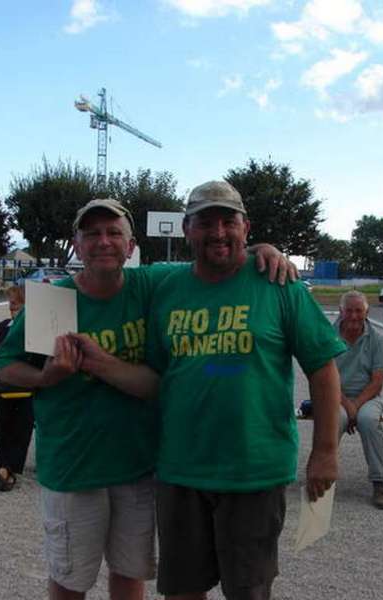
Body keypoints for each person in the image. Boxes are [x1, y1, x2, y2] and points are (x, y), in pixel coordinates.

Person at [0, 197, 295, 600]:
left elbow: (213, 256)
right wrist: (47, 377)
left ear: (131, 245)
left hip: (136, 463)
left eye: (113, 233)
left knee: (129, 573)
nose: (103, 242)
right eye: (92, 234)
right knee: (70, 581)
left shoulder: (150, 285)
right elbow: (6, 366)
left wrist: (263, 249)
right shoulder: (55, 300)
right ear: (76, 245)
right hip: (73, 465)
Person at [142, 181, 343, 600]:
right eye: (205, 222)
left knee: (248, 591)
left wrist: (325, 451)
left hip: (254, 471)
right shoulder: (166, 288)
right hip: (181, 468)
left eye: (228, 221)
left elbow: (322, 369)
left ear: (245, 227)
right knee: (181, 590)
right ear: (186, 229)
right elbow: (159, 372)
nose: (218, 232)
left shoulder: (280, 285)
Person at [335, 290, 383, 509]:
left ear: (367, 312)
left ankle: (379, 482)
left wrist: (354, 406)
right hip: (334, 395)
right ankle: (323, 478)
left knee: (368, 420)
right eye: (349, 310)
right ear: (341, 311)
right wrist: (346, 405)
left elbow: (377, 381)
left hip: (368, 397)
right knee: (335, 420)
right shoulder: (326, 335)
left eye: (359, 311)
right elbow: (322, 377)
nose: (354, 316)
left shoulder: (377, 339)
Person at [0, 284, 34, 492]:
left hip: (30, 384)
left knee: (25, 406)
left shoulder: (37, 329)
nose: (13, 307)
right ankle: (7, 466)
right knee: (5, 406)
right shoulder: (3, 326)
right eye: (12, 303)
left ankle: (7, 468)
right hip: (5, 384)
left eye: (18, 303)